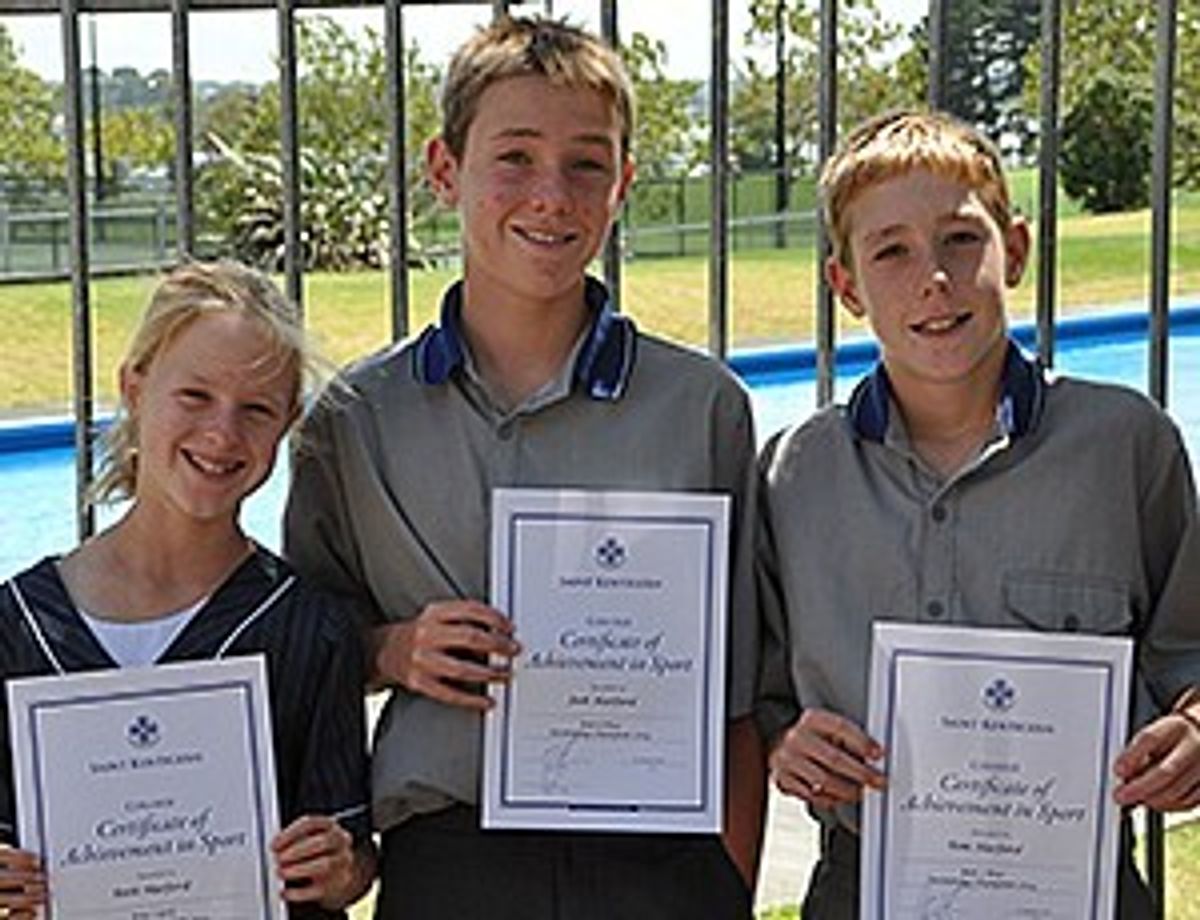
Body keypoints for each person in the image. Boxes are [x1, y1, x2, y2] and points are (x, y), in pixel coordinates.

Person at [284, 15, 764, 920]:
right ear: (444, 170)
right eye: (514, 157)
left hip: (658, 856)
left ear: (622, 184)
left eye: (586, 163)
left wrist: (727, 887)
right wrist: (394, 647)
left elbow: (738, 687)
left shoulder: (702, 408)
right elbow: (306, 642)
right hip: (451, 856)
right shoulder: (357, 418)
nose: (551, 195)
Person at [756, 108, 1200, 919]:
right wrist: (784, 741)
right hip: (863, 883)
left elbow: (1188, 650)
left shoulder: (1126, 448)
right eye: (891, 251)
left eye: (961, 239)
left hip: (1085, 885)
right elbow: (756, 687)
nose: (934, 277)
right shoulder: (794, 475)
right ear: (846, 287)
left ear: (1016, 250)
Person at [0, 261, 376, 919]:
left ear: (287, 422)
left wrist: (340, 868)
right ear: (135, 386)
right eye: (195, 396)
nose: (222, 433)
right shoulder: (20, 624)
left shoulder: (310, 628)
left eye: (256, 409)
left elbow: (352, 856)